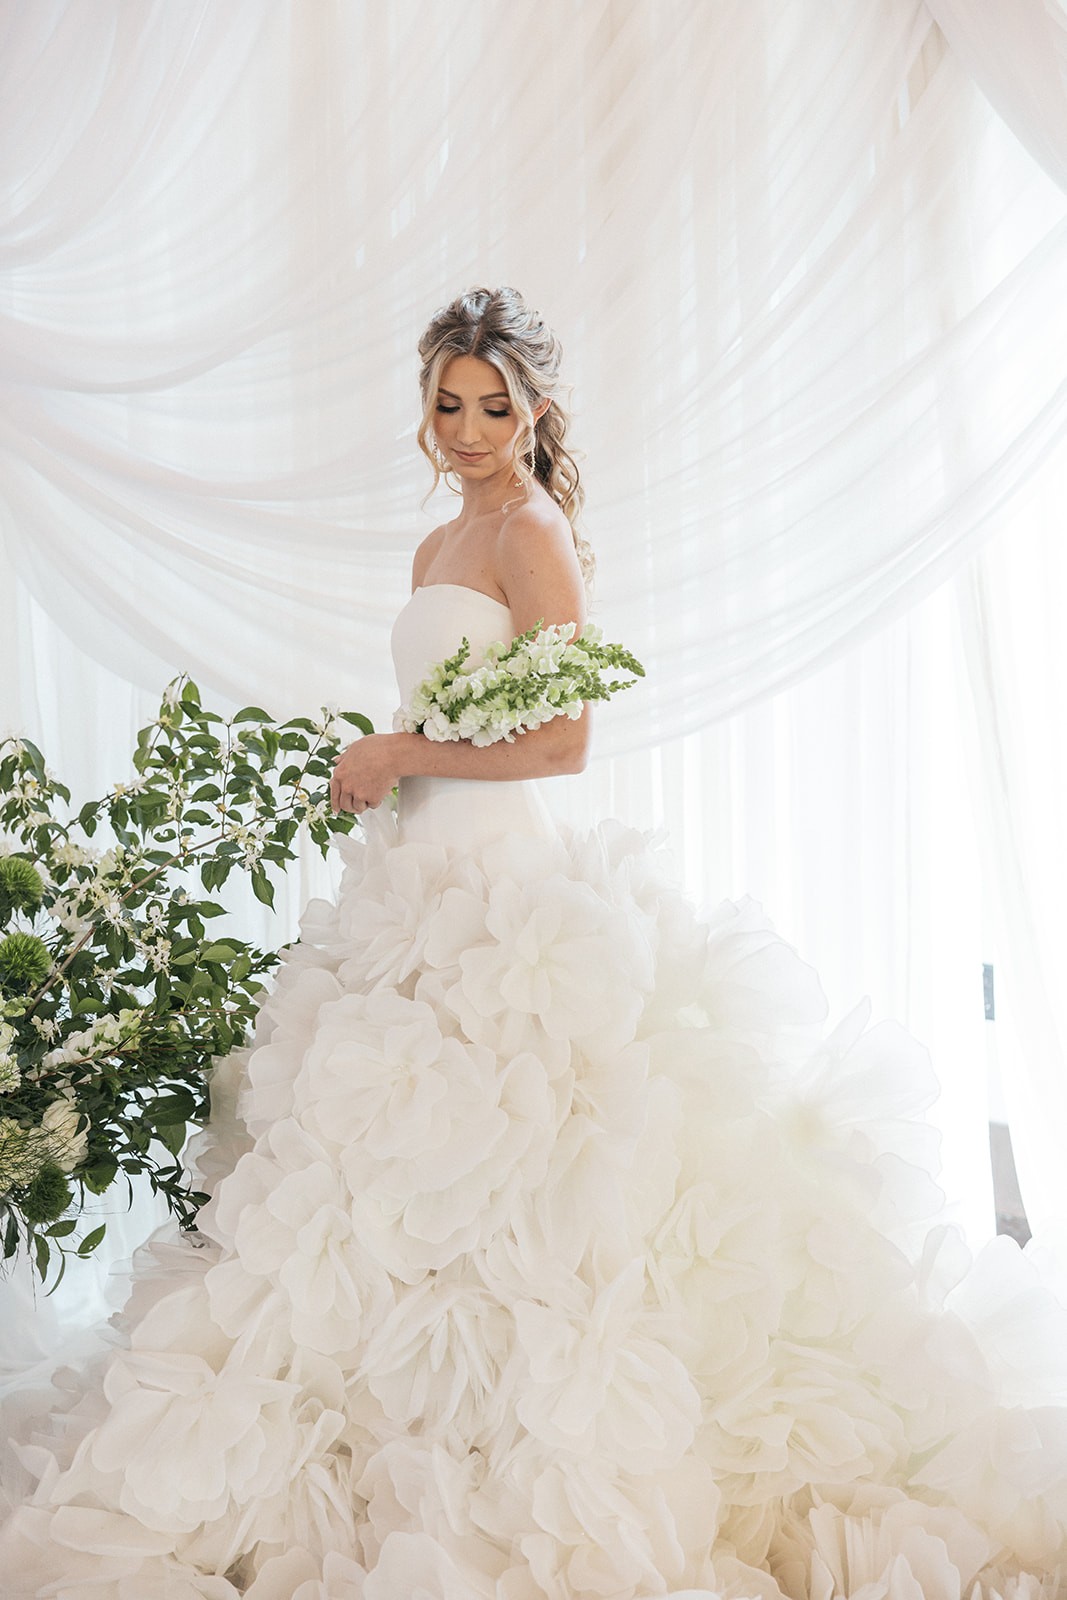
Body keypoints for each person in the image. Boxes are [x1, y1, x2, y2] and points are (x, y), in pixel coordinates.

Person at [2, 285, 1066, 1599]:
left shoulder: (532, 530)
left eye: (492, 406)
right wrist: (388, 770)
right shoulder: (439, 542)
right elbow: (455, 715)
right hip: (412, 882)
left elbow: (564, 742)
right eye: (446, 404)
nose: (466, 429)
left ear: (535, 411)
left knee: (527, 1167)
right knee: (380, 1179)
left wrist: (403, 750)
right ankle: (405, 1438)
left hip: (508, 896)